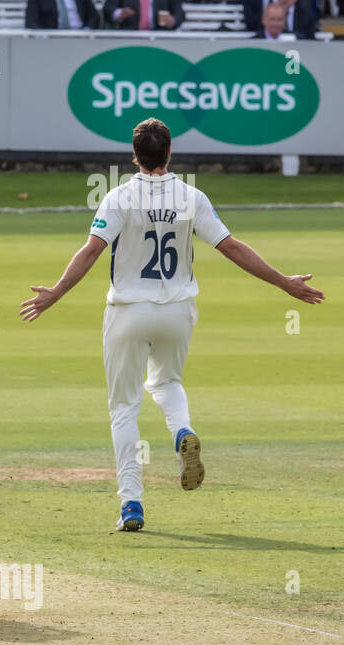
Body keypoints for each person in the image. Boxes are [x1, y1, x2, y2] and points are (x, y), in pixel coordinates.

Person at [19, 118, 324, 532]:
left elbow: (91, 251)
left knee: (124, 407)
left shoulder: (119, 197)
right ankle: (182, 431)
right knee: (167, 384)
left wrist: (55, 292)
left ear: (135, 155)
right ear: (169, 152)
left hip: (128, 310)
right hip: (178, 310)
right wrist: (284, 282)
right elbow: (230, 247)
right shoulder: (191, 196)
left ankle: (131, 504)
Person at [244, 0, 318, 38]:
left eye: (279, 19)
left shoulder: (305, 14)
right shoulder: (255, 41)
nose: (276, 24)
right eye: (272, 19)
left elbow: (311, 42)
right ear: (264, 20)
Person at [101, 0, 184, 29]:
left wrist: (173, 20)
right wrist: (118, 13)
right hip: (129, 35)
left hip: (159, 35)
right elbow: (108, 8)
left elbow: (180, 13)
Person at [25, 0, 101, 28]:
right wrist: (44, 36)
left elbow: (94, 16)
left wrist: (86, 32)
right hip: (51, 40)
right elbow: (31, 22)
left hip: (80, 36)